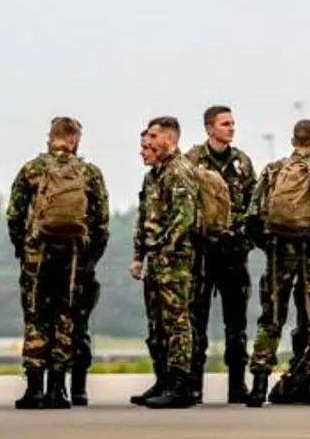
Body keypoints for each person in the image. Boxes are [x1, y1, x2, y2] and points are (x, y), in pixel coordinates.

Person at [7, 116, 110, 410]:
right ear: (75, 140)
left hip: (37, 256)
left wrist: (24, 248)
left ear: (49, 138)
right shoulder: (89, 173)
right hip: (74, 258)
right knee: (65, 318)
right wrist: (89, 256)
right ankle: (57, 390)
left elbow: (14, 214)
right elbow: (101, 221)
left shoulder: (32, 169)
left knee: (36, 318)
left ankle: (34, 389)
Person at [246, 119, 310, 407]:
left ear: (293, 141)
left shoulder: (273, 171)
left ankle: (259, 382)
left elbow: (252, 215)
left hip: (280, 252)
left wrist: (269, 244)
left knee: (272, 315)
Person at [185, 105, 257, 404]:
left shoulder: (242, 162)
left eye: (233, 123)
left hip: (233, 253)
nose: (231, 128)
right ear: (209, 128)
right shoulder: (191, 161)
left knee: (236, 323)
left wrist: (245, 238)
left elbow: (254, 204)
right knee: (195, 321)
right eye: (225, 123)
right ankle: (193, 385)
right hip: (201, 252)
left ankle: (237, 385)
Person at [135, 116, 200, 409]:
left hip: (175, 260)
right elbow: (145, 217)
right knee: (157, 322)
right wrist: (140, 255)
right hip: (155, 259)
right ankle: (162, 378)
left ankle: (180, 384)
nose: (147, 141)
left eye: (153, 135)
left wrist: (164, 248)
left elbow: (184, 217)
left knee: (177, 321)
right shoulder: (153, 175)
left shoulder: (179, 171)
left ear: (169, 139)